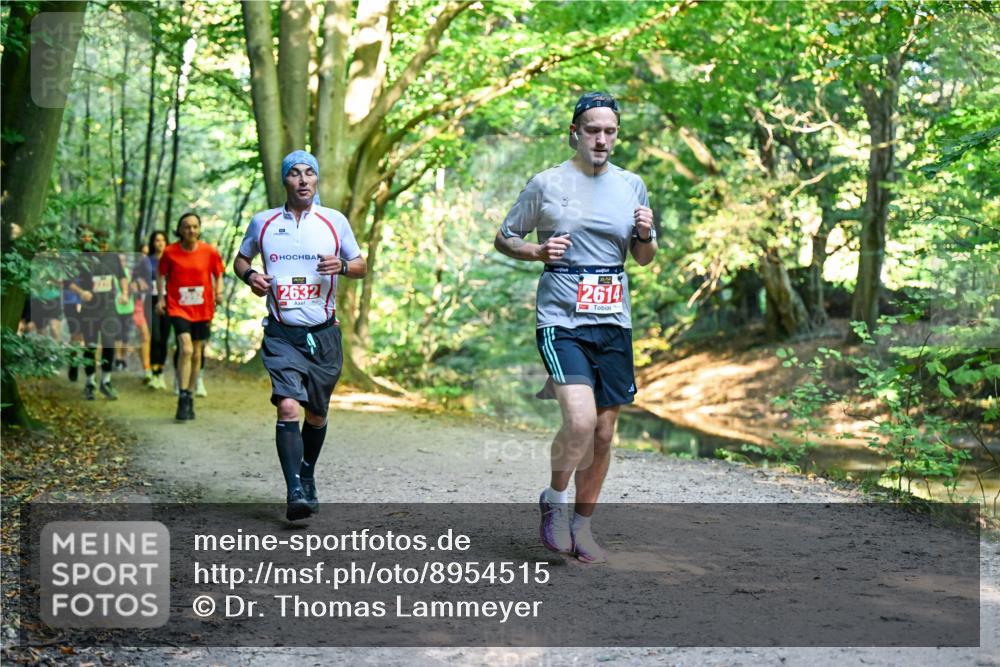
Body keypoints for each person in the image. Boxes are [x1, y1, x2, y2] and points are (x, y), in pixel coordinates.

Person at [493, 92, 658, 563]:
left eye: (609, 131)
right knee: (581, 420)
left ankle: (583, 527)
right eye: (592, 130)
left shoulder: (632, 186)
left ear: (616, 136)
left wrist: (644, 234)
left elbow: (642, 259)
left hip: (613, 319)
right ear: (574, 133)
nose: (601, 139)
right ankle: (555, 501)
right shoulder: (546, 184)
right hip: (561, 316)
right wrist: (535, 252)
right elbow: (506, 237)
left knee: (604, 434)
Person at [233, 150, 365, 521]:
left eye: (310, 173)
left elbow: (361, 264)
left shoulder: (334, 221)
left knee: (317, 415)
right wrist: (251, 277)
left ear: (316, 180)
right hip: (281, 334)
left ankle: (307, 474)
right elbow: (241, 260)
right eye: (295, 174)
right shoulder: (263, 222)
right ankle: (294, 489)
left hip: (323, 336)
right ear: (285, 181)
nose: (303, 180)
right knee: (288, 405)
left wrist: (342, 265)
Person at [157, 213, 224, 420]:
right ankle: (183, 394)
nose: (191, 231)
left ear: (199, 229)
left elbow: (218, 273)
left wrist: (219, 293)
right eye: (187, 227)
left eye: (195, 227)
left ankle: (189, 395)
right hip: (178, 306)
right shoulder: (170, 252)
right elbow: (161, 275)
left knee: (196, 352)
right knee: (185, 349)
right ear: (180, 229)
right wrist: (161, 299)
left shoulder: (209, 252)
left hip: (202, 308)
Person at [66, 228, 128, 400]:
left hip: (109, 308)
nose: (103, 247)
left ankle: (106, 381)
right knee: (90, 345)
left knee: (109, 343)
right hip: (90, 308)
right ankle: (90, 382)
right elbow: (68, 282)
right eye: (100, 244)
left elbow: (122, 277)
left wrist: (124, 293)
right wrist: (81, 292)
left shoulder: (113, 257)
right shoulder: (84, 258)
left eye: (105, 244)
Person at [145, 231, 170, 390]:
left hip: (170, 300)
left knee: (165, 338)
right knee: (155, 337)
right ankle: (153, 373)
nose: (159, 243)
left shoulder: (172, 259)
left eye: (162, 240)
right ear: (152, 243)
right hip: (151, 300)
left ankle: (160, 372)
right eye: (156, 240)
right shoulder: (147, 261)